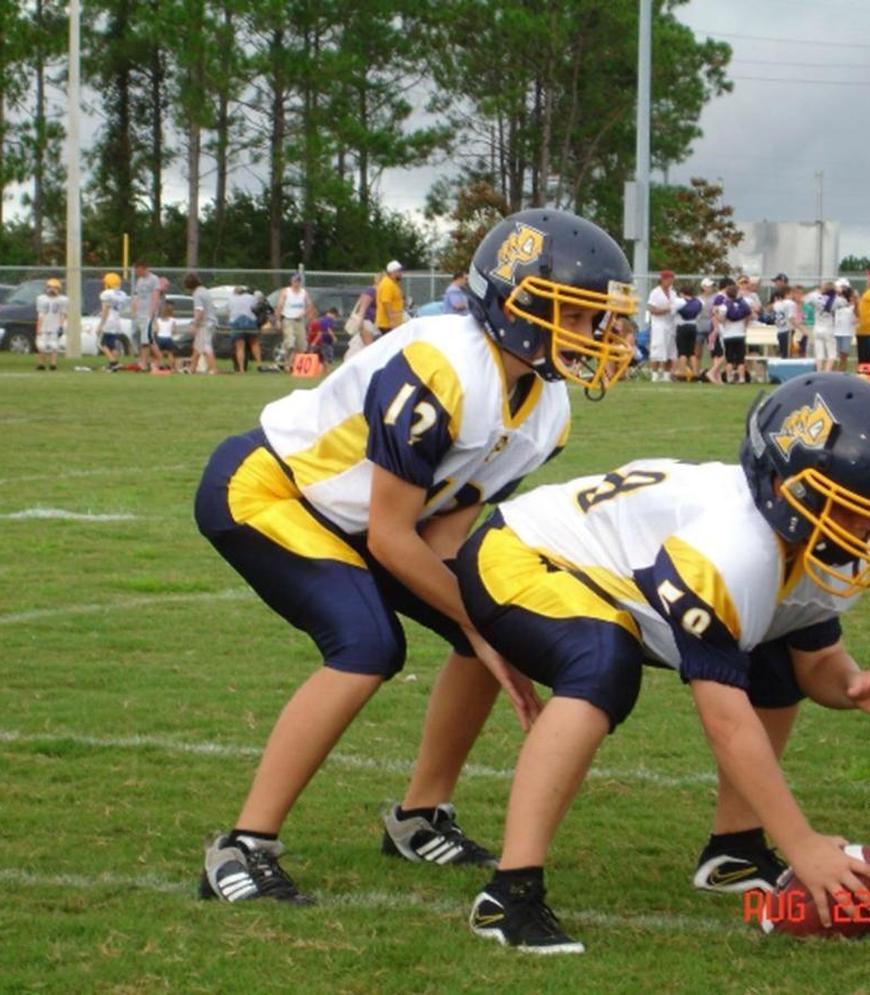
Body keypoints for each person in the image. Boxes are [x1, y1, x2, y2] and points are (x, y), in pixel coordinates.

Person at [194, 208, 638, 904]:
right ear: (522, 303)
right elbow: (391, 535)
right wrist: (479, 626)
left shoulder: (547, 411)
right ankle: (242, 845)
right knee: (369, 645)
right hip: (272, 489)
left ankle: (419, 815)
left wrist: (487, 627)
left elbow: (442, 535)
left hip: (360, 516)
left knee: (497, 616)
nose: (599, 335)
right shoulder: (442, 362)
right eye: (582, 315)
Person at [456, 372, 870, 953]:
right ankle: (510, 894)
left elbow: (814, 657)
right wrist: (801, 843)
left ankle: (735, 849)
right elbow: (725, 720)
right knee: (602, 663)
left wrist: (850, 683)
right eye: (849, 509)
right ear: (784, 485)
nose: (863, 531)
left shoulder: (818, 546)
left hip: (620, 573)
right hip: (524, 553)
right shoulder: (731, 547)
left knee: (771, 659)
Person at [646, 269, 679, 382]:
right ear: (663, 279)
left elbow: (675, 306)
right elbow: (651, 309)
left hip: (671, 324)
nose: (671, 281)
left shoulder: (673, 293)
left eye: (672, 279)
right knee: (658, 349)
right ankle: (654, 375)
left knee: (670, 350)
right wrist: (665, 309)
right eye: (669, 279)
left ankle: (666, 375)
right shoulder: (655, 292)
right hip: (659, 325)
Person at [275, 274, 314, 369]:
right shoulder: (286, 292)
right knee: (290, 342)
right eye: (295, 281)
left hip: (300, 321)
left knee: (302, 346)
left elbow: (310, 305)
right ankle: (287, 364)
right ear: (291, 281)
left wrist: (305, 314)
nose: (296, 283)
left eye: (298, 281)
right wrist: (278, 320)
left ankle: (295, 365)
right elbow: (279, 306)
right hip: (288, 320)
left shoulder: (304, 293)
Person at [131, 261, 163, 372]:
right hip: (138, 314)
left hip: (147, 314)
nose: (136, 272)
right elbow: (136, 296)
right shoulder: (139, 280)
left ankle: (144, 364)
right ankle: (146, 360)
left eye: (138, 270)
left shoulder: (154, 279)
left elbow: (155, 296)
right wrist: (134, 310)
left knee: (146, 340)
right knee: (135, 336)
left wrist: (151, 314)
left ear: (144, 268)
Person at [185, 273, 218, 376]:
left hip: (206, 323)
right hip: (210, 321)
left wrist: (194, 325)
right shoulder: (204, 290)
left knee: (206, 346)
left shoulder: (197, 294)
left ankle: (213, 369)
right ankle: (192, 368)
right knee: (197, 346)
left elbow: (200, 311)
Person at [96, 273, 130, 371]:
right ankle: (112, 364)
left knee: (101, 344)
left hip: (108, 321)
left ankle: (113, 362)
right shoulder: (122, 294)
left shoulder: (106, 294)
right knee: (112, 345)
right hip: (117, 320)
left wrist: (100, 325)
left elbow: (106, 309)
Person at [35, 278, 68, 371]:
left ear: (59, 289)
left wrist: (61, 326)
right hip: (44, 324)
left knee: (54, 345)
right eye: (50, 287)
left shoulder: (63, 300)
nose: (52, 290)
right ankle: (41, 364)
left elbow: (64, 314)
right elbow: (40, 315)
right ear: (46, 288)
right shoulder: (41, 299)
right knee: (41, 345)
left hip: (55, 325)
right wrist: (38, 327)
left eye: (55, 288)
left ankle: (53, 364)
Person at [228, 286, 262, 373]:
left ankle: (241, 369)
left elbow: (229, 310)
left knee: (240, 347)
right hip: (250, 322)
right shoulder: (250, 298)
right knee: (254, 343)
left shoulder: (231, 298)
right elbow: (255, 307)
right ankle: (259, 364)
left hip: (236, 323)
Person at [674, 285, 702, 382]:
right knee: (691, 352)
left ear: (682, 293)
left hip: (682, 326)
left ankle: (682, 373)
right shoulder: (698, 302)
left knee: (682, 352)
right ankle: (695, 373)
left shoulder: (679, 301)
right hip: (693, 326)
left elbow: (672, 311)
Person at [376, 260, 406, 335]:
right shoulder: (387, 284)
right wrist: (392, 321)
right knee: (393, 346)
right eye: (399, 271)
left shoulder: (393, 283)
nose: (401, 273)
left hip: (393, 322)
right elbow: (386, 302)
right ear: (393, 272)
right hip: (387, 324)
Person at [833, 279, 856, 373]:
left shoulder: (852, 304)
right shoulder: (834, 301)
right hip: (835, 332)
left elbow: (856, 317)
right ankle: (832, 375)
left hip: (846, 333)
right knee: (834, 356)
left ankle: (841, 374)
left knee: (844, 355)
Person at [154, 303, 178, 372]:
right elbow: (174, 330)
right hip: (168, 338)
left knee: (158, 353)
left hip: (160, 338)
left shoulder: (158, 320)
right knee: (170, 354)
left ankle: (157, 366)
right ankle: (172, 368)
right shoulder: (173, 320)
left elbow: (156, 330)